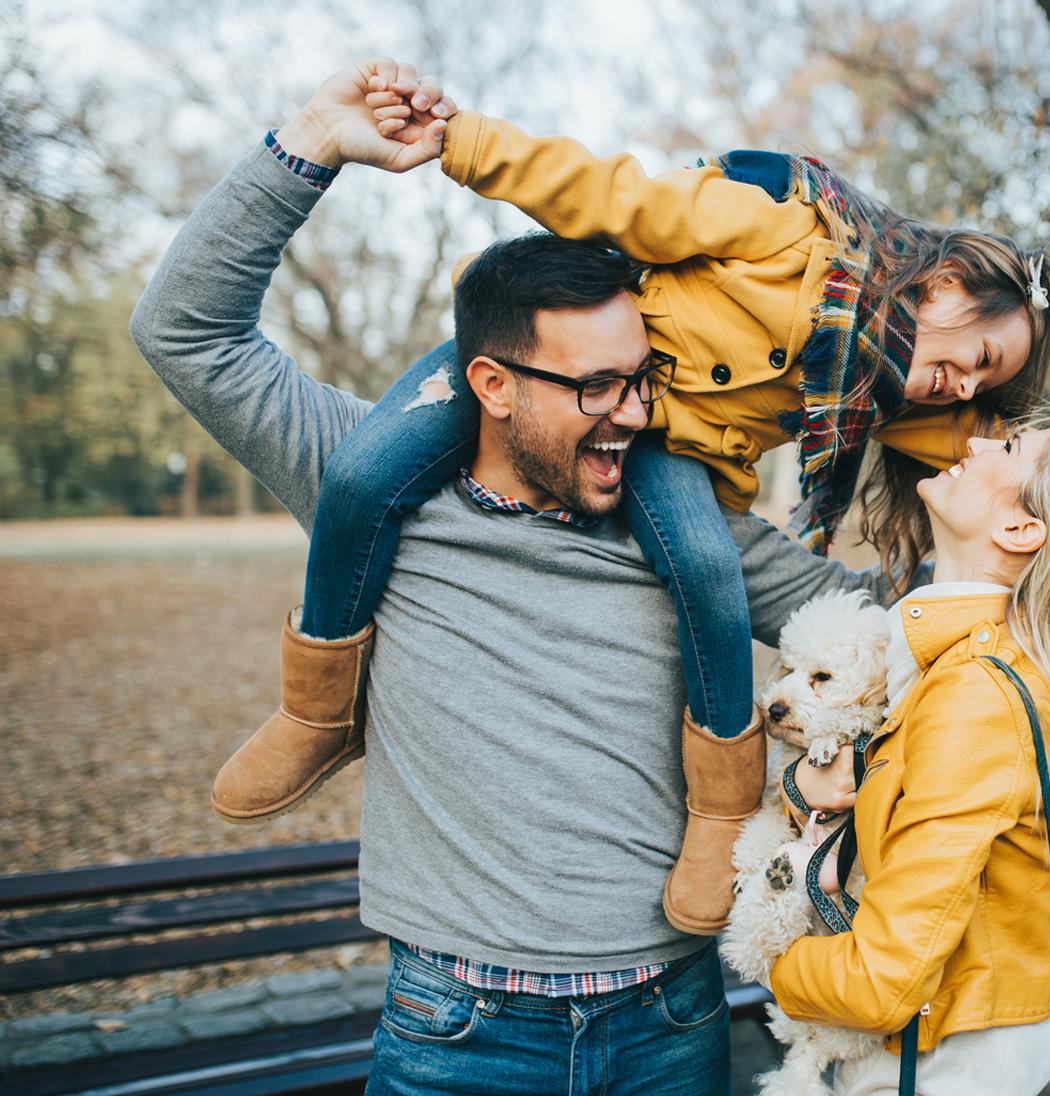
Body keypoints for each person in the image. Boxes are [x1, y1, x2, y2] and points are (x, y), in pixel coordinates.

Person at [129, 60, 925, 1094]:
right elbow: (184, 330)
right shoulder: (367, 477)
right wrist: (311, 147)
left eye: (641, 379)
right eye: (596, 385)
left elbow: (885, 617)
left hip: (670, 1022)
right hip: (458, 1032)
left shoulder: (693, 528)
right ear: (492, 385)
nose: (635, 413)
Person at [208, 60, 1050, 935]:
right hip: (573, 366)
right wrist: (463, 143)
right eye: (975, 358)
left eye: (981, 385)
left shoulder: (894, 394)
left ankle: (720, 813)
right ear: (946, 285)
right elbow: (615, 198)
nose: (960, 387)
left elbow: (1016, 469)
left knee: (704, 569)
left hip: (663, 450)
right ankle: (316, 708)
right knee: (359, 474)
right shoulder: (784, 240)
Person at [771, 414, 1050, 1094]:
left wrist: (775, 959)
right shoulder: (982, 665)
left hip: (940, 1066)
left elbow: (882, 983)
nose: (978, 442)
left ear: (1021, 529)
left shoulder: (976, 693)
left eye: (1011, 448)